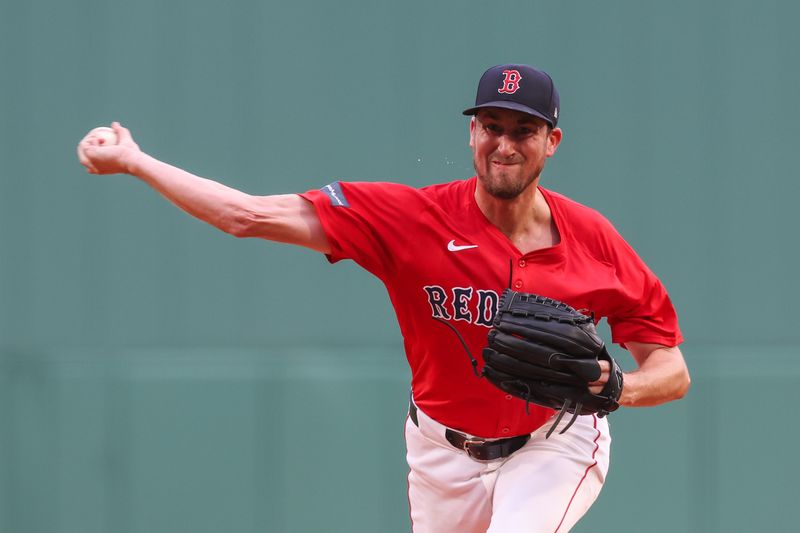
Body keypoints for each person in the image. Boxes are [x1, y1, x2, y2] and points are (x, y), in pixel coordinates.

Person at [77, 64, 690, 532]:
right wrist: (135, 161)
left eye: (524, 131)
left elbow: (672, 371)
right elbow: (245, 216)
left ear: (552, 140)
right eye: (492, 126)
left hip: (554, 441)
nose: (505, 144)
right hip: (439, 453)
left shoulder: (593, 240)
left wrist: (617, 389)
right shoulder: (409, 218)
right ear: (472, 131)